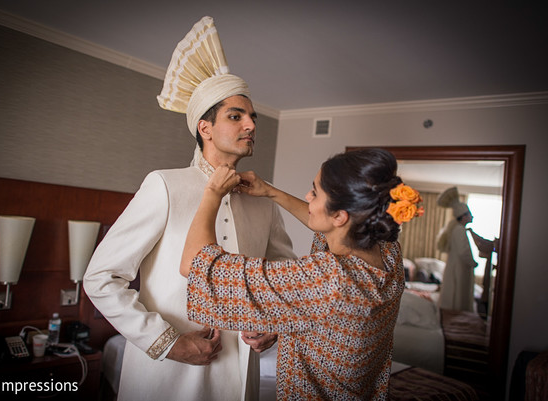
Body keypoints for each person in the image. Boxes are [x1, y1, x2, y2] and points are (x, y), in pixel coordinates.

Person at [83, 16, 295, 401]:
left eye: (252, 117)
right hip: (166, 375)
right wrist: (167, 342)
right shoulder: (164, 185)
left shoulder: (262, 198)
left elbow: (280, 279)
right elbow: (101, 277)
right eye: (236, 116)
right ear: (205, 128)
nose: (250, 124)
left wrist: (273, 322)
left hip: (241, 375)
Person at [180, 148, 424, 400]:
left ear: (340, 216)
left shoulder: (326, 280)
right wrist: (270, 192)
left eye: (315, 193)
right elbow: (325, 225)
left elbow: (196, 265)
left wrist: (212, 193)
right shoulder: (385, 250)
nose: (307, 196)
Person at [436, 186, 477, 312]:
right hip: (458, 268)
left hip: (457, 266)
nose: (472, 216)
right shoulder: (459, 230)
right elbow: (463, 251)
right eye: (469, 214)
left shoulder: (459, 229)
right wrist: (473, 262)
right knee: (456, 293)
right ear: (463, 216)